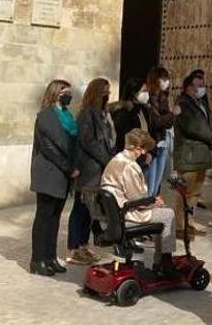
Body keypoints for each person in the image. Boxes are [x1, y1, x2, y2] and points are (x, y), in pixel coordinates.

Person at [101, 128, 179, 278]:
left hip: (115, 214)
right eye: (142, 149)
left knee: (161, 213)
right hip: (128, 215)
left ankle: (161, 259)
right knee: (168, 214)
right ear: (136, 147)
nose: (143, 153)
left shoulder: (115, 160)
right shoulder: (130, 166)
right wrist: (154, 202)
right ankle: (164, 261)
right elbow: (137, 199)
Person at [29, 79, 78, 276]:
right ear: (56, 93)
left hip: (63, 174)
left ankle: (50, 257)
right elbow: (50, 149)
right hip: (49, 172)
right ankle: (37, 260)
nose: (69, 95)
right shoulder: (45, 117)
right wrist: (69, 168)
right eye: (65, 91)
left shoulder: (68, 115)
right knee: (44, 217)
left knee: (55, 218)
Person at [67, 77, 114, 265]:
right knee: (80, 209)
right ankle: (74, 248)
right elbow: (89, 142)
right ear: (96, 92)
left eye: (108, 91)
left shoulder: (102, 113)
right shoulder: (87, 114)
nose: (107, 94)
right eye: (104, 91)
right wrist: (107, 159)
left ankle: (84, 246)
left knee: (89, 210)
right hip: (89, 171)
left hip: (98, 171)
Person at [172, 70, 212, 237]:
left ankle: (189, 223)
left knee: (195, 193)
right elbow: (191, 126)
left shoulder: (200, 102)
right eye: (199, 83)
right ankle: (179, 226)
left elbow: (210, 120)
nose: (202, 86)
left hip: (201, 156)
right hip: (188, 155)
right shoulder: (183, 103)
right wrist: (209, 136)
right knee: (184, 193)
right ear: (189, 85)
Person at [145, 67, 174, 197]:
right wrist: (172, 115)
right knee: (149, 185)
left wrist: (169, 117)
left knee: (157, 183)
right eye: (164, 78)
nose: (166, 81)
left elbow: (167, 122)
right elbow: (156, 122)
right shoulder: (148, 99)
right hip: (153, 143)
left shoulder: (163, 98)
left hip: (163, 140)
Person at [112, 77, 152, 152]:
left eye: (147, 91)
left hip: (144, 153)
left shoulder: (143, 110)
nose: (147, 94)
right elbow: (123, 139)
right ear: (134, 93)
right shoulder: (124, 113)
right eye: (143, 91)